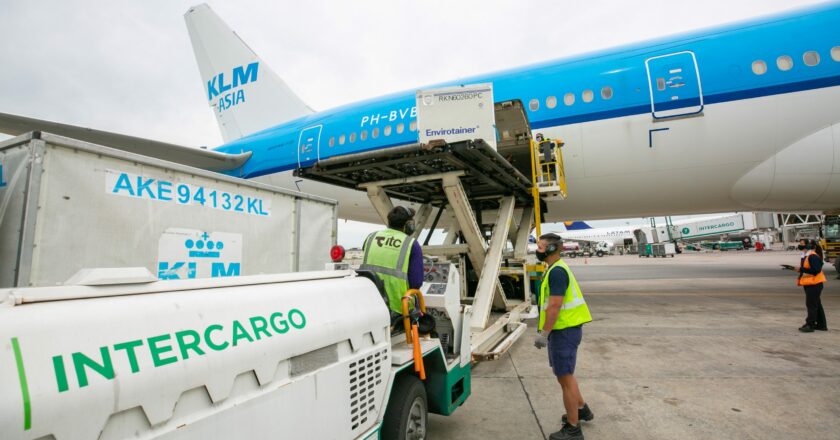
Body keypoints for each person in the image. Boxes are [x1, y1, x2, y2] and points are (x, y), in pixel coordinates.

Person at [533, 233, 594, 440]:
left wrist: (544, 333)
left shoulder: (557, 272)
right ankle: (582, 409)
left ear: (550, 249)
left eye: (540, 247)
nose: (537, 250)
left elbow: (555, 306)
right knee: (564, 375)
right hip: (565, 330)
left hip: (563, 331)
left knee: (565, 378)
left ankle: (573, 428)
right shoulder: (554, 268)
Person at [360, 206, 424, 316]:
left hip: (369, 302)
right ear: (409, 225)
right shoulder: (411, 244)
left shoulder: (371, 237)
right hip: (398, 308)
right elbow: (416, 283)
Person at [798, 239, 827, 332]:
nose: (800, 246)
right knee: (816, 304)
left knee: (811, 305)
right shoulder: (806, 256)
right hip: (810, 283)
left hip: (814, 284)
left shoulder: (812, 256)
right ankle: (822, 325)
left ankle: (810, 325)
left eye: (802, 244)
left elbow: (816, 270)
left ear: (808, 246)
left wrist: (800, 269)